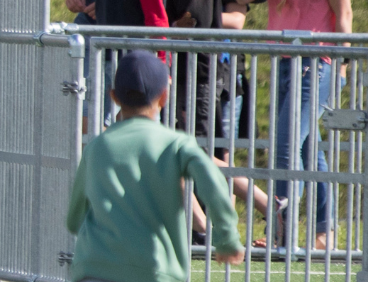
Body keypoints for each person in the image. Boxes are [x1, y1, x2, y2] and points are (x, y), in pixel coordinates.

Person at [217, 0, 351, 250]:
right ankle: (323, 233)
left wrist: (342, 65)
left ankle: (282, 231)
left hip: (316, 64)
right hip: (283, 64)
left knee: (285, 145)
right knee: (308, 150)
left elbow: (344, 16)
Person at [153, 0, 275, 240]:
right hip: (185, 71)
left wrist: (155, 32)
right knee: (185, 151)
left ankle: (265, 206)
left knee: (198, 151)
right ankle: (202, 227)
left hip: (196, 74)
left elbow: (191, 20)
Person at [64, 50, 247, 282]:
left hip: (94, 269)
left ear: (114, 96)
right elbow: (213, 184)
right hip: (155, 270)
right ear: (164, 96)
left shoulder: (96, 147)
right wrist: (226, 237)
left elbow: (75, 217)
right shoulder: (176, 144)